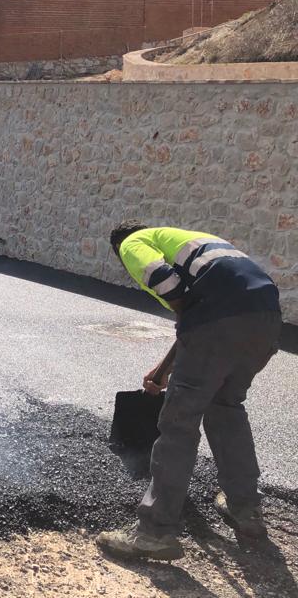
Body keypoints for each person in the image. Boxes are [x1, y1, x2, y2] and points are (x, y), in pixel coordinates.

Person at [97, 221, 281, 560]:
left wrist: (173, 366)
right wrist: (164, 368)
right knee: (226, 408)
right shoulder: (192, 242)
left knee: (179, 423)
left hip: (218, 321)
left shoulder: (133, 243)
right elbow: (196, 312)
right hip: (265, 320)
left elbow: (170, 288)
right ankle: (246, 510)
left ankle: (154, 532)